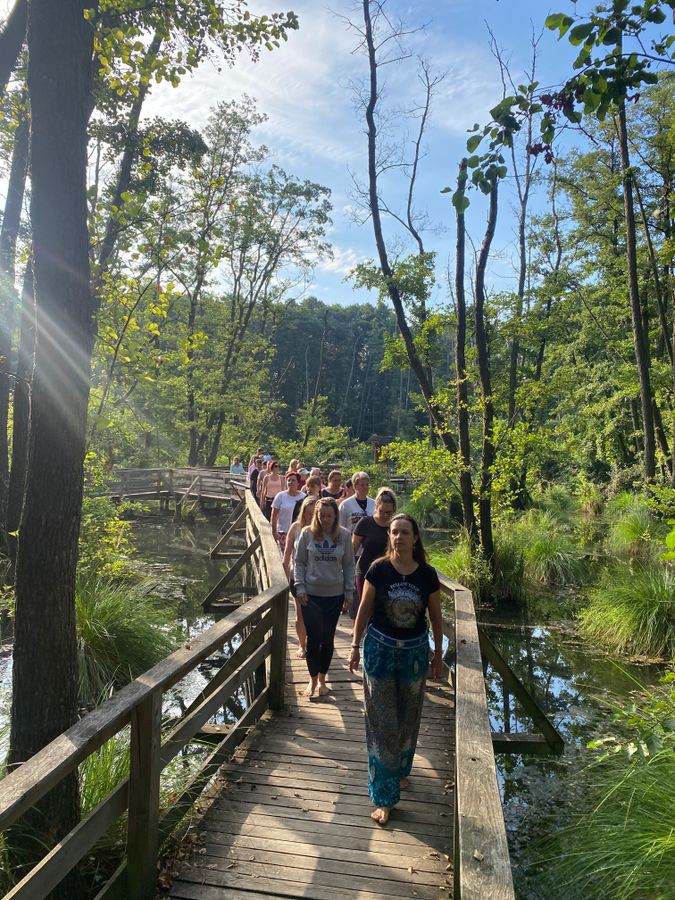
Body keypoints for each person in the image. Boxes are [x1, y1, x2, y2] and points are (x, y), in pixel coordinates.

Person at [349, 514, 444, 826]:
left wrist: (438, 653)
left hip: (415, 654)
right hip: (379, 651)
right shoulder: (379, 569)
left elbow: (435, 615)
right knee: (383, 724)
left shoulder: (427, 575)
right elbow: (364, 608)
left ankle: (401, 769)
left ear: (415, 538)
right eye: (394, 532)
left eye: (405, 532)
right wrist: (353, 645)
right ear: (388, 536)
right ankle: (384, 797)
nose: (399, 537)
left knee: (408, 718)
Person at [294, 497, 355, 699]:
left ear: (336, 516)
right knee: (313, 639)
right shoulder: (307, 534)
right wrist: (300, 587)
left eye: (329, 516)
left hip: (334, 595)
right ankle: (312, 681)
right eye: (322, 515)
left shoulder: (344, 536)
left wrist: (349, 592)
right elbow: (299, 562)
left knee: (327, 639)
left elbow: (348, 565)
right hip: (310, 595)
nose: (326, 519)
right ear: (316, 515)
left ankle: (322, 680)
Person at [351, 487, 397, 617]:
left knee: (384, 609)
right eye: (382, 511)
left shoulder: (395, 525)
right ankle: (362, 634)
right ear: (376, 506)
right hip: (365, 571)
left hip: (388, 572)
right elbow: (353, 548)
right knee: (366, 608)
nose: (385, 516)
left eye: (389, 513)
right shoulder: (365, 522)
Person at [282, 495, 318, 659]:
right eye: (307, 513)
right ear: (303, 512)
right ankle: (302, 645)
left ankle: (314, 642)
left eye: (313, 513)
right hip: (297, 576)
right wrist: (284, 576)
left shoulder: (323, 529)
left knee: (316, 615)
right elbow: (287, 553)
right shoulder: (296, 527)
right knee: (300, 614)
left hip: (318, 578)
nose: (310, 517)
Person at [271, 471, 306, 553]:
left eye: (293, 480)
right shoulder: (280, 496)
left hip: (298, 532)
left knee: (296, 556)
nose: (291, 482)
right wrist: (274, 532)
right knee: (285, 555)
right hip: (283, 532)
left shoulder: (303, 497)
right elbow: (274, 515)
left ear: (298, 482)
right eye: (289, 480)